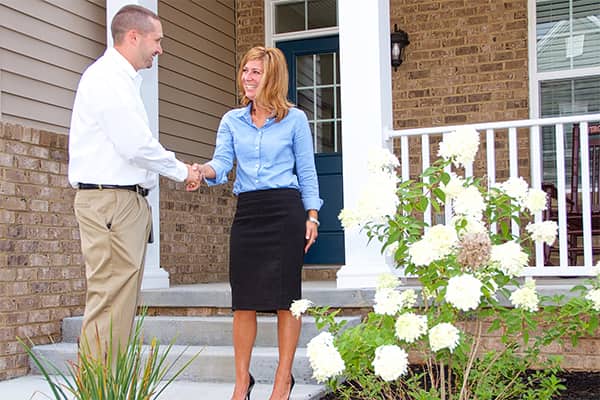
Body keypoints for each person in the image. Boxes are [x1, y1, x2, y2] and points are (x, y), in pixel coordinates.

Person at [67, 4, 200, 362]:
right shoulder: (107, 79)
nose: (160, 48)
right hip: (111, 204)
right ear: (133, 36)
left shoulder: (122, 80)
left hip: (122, 203)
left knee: (120, 305)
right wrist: (182, 170)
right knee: (110, 302)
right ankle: (96, 387)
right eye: (157, 40)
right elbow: (135, 145)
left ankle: (107, 384)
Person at [198, 46, 322, 400]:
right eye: (245, 71)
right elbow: (220, 164)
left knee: (287, 300)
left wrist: (312, 214)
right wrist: (200, 172)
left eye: (255, 72)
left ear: (272, 78)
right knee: (244, 301)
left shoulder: (295, 120)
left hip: (285, 210)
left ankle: (283, 380)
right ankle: (242, 382)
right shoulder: (231, 121)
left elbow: (307, 172)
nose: (248, 78)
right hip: (249, 212)